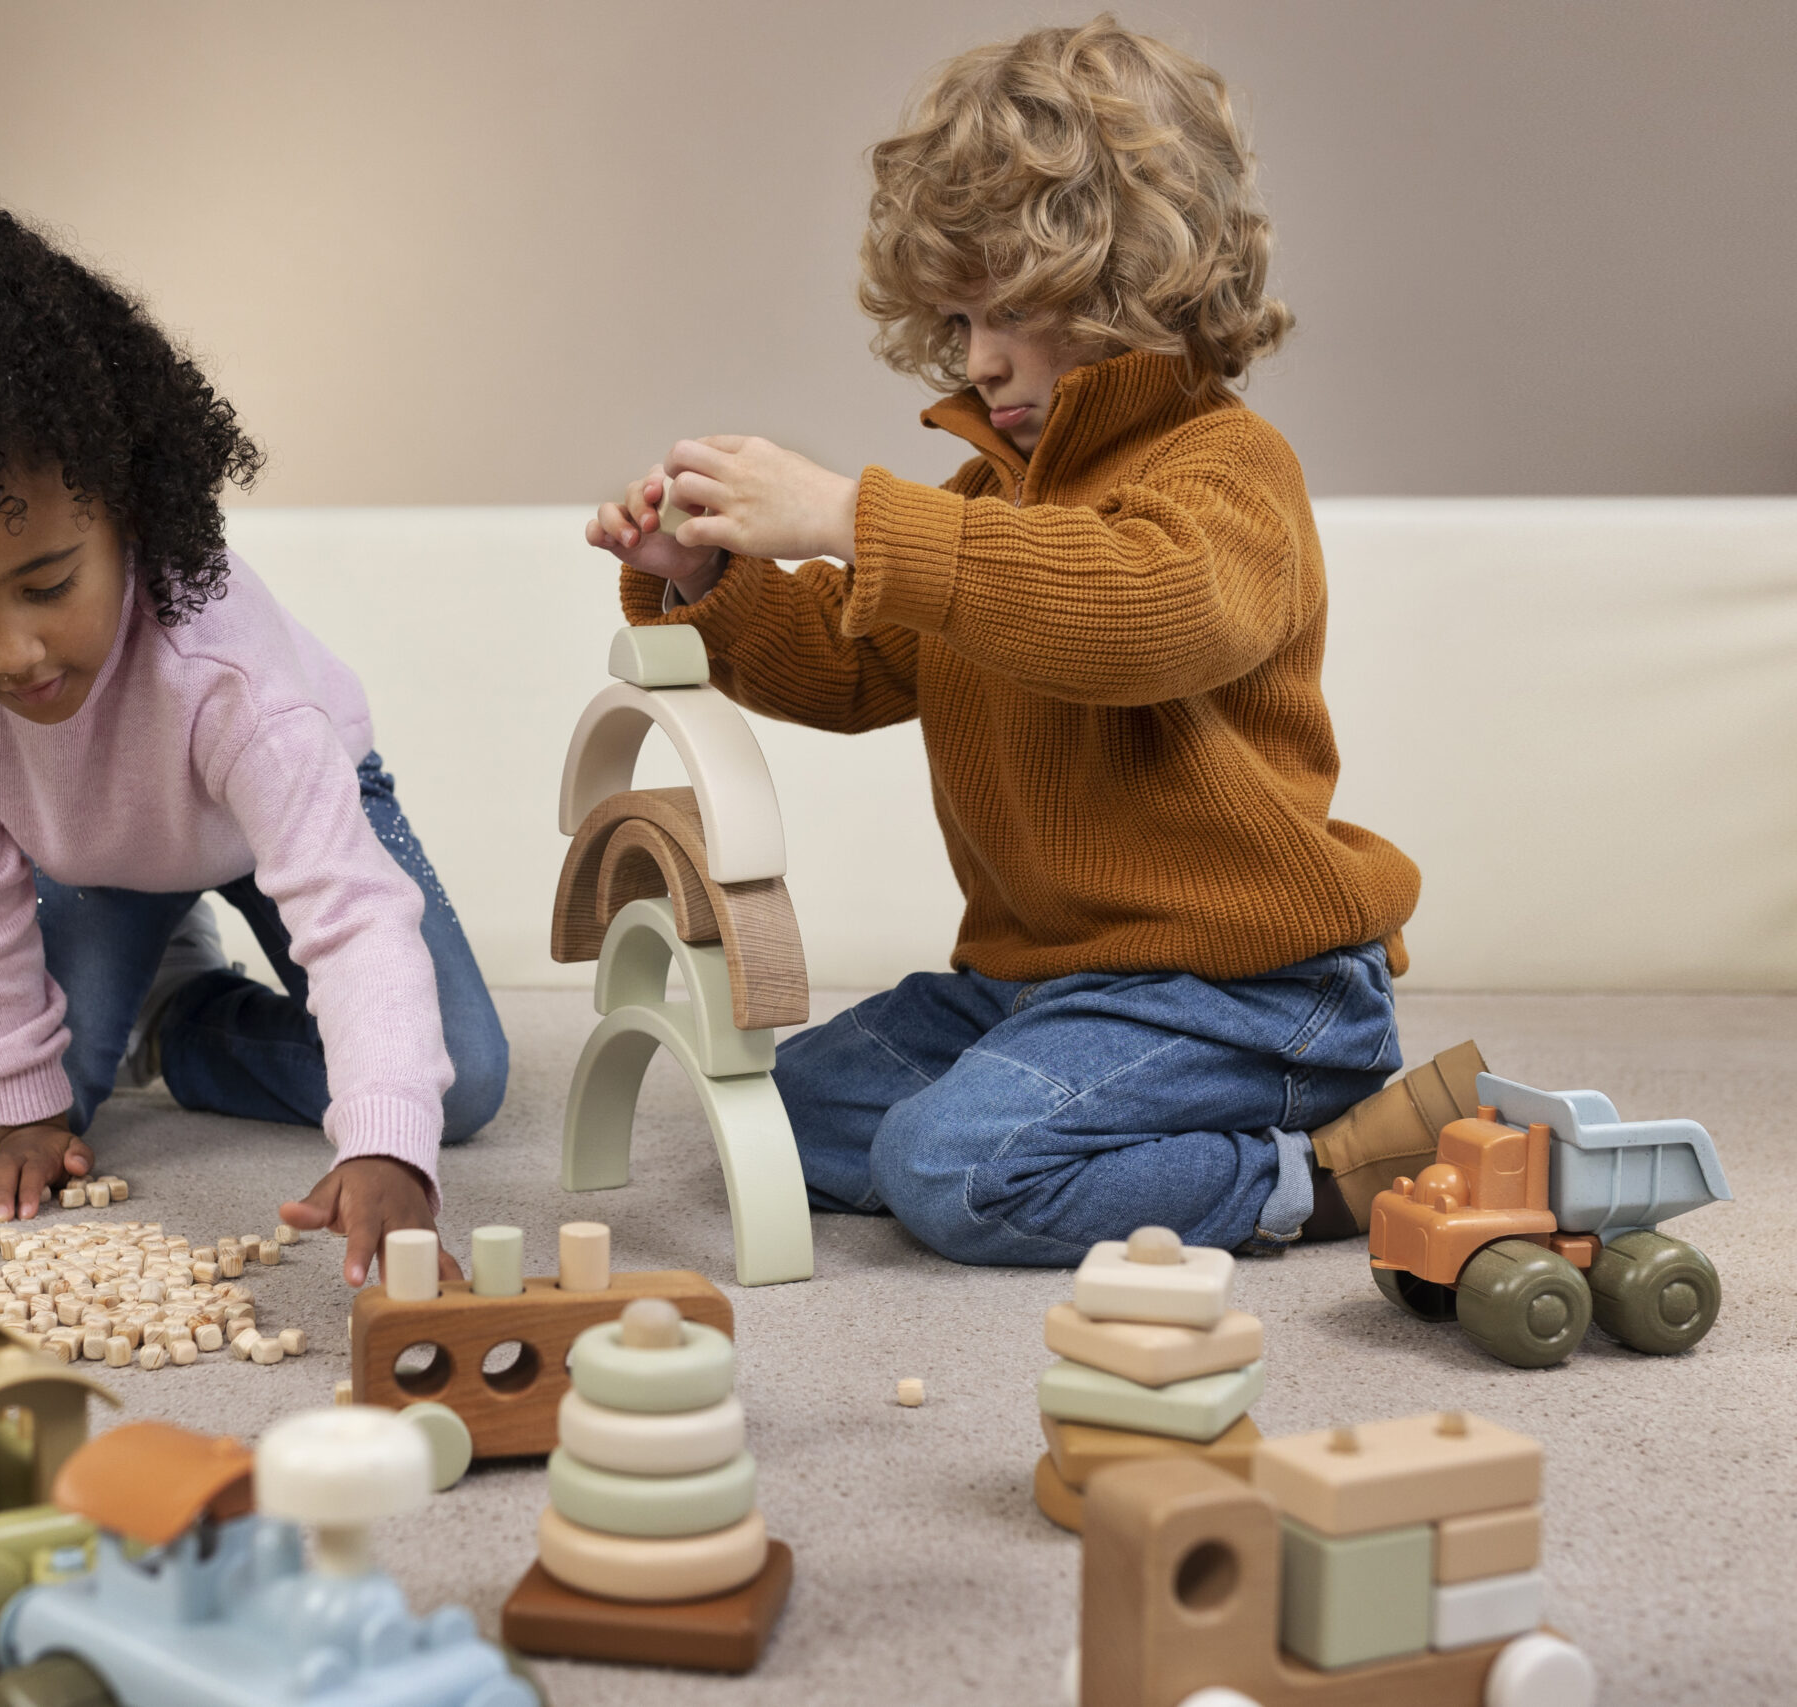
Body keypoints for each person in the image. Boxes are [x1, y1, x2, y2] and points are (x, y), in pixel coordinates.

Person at [587, 17, 1426, 1265]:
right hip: (1040, 982)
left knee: (954, 1169)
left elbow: (1145, 612)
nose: (978, 362)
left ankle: (1318, 1172)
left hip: (1241, 991)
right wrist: (706, 580)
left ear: (1130, 283)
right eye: (962, 317)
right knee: (783, 1105)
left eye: (1016, 312)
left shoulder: (1228, 467)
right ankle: (1079, 1112)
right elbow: (860, 662)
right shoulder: (987, 503)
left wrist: (850, 514)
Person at [0, 201, 505, 1284]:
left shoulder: (229, 677)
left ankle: (173, 1015)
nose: (12, 650)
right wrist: (21, 1104)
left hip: (279, 820)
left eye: (47, 583)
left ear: (128, 512)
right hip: (87, 856)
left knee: (451, 1088)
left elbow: (350, 907)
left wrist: (380, 1147)